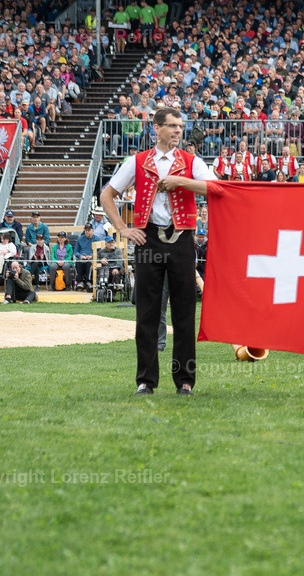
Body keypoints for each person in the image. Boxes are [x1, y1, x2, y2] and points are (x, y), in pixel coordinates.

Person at [100, 107, 216, 397]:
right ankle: (146, 381)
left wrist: (181, 182)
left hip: (181, 239)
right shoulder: (137, 161)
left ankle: (185, 381)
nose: (178, 131)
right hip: (147, 238)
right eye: (172, 126)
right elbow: (107, 194)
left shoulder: (191, 161)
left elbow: (216, 188)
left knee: (185, 311)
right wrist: (122, 229)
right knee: (147, 312)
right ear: (157, 129)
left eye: (180, 126)